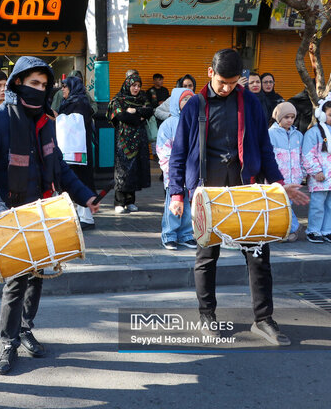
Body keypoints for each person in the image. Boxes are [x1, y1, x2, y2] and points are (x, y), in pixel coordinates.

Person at [0, 56, 99, 376]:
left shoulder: (46, 121)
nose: (39, 89)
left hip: (43, 210)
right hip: (8, 213)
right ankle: (8, 342)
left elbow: (60, 167)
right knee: (15, 281)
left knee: (37, 277)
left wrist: (85, 196)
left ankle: (25, 329)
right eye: (33, 83)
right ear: (17, 83)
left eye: (43, 84)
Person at [168, 48, 308, 346]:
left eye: (233, 82)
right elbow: (179, 153)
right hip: (209, 193)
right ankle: (207, 315)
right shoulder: (195, 105)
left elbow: (264, 149)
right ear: (210, 73)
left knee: (259, 256)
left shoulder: (251, 103)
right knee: (206, 257)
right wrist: (177, 194)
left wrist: (280, 184)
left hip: (246, 190)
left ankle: (263, 318)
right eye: (222, 82)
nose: (227, 88)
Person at [106, 73, 153, 214]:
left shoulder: (142, 97)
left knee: (134, 169)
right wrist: (139, 117)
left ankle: (130, 201)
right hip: (124, 141)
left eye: (138, 86)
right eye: (134, 85)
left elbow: (150, 110)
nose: (136, 88)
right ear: (128, 85)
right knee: (122, 170)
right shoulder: (118, 99)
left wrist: (135, 110)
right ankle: (119, 202)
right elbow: (120, 115)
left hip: (139, 140)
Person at [156, 88, 196, 250]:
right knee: (173, 204)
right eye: (184, 100)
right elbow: (163, 150)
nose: (187, 103)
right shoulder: (168, 124)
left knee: (188, 205)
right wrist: (170, 171)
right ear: (175, 103)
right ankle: (169, 234)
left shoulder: (196, 122)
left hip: (191, 173)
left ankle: (186, 234)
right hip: (174, 174)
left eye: (190, 100)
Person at [57, 75, 97, 229]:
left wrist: (57, 118)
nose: (62, 89)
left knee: (82, 180)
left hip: (80, 151)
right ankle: (77, 216)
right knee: (72, 180)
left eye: (65, 86)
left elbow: (74, 122)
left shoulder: (80, 102)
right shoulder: (68, 102)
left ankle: (86, 218)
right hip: (70, 150)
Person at [268, 102, 304, 242]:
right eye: (286, 117)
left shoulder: (298, 135)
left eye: (292, 117)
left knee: (285, 205)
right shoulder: (269, 133)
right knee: (280, 204)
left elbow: (301, 155)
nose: (289, 120)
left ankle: (285, 231)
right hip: (277, 177)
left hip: (294, 177)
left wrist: (302, 173)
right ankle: (293, 227)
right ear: (278, 117)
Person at [301, 96, 331, 243]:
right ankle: (314, 230)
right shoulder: (314, 132)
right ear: (322, 114)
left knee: (330, 205)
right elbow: (307, 154)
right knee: (318, 205)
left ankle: (327, 230)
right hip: (320, 176)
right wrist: (316, 171)